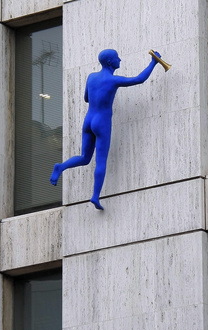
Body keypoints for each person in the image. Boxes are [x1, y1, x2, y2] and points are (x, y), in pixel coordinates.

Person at [50, 48, 162, 209]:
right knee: (100, 161)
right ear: (110, 62)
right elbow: (139, 79)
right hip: (101, 122)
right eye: (117, 57)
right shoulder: (113, 80)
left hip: (88, 120)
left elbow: (86, 98)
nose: (120, 60)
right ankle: (95, 196)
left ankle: (61, 166)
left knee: (84, 158)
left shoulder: (91, 77)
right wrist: (153, 63)